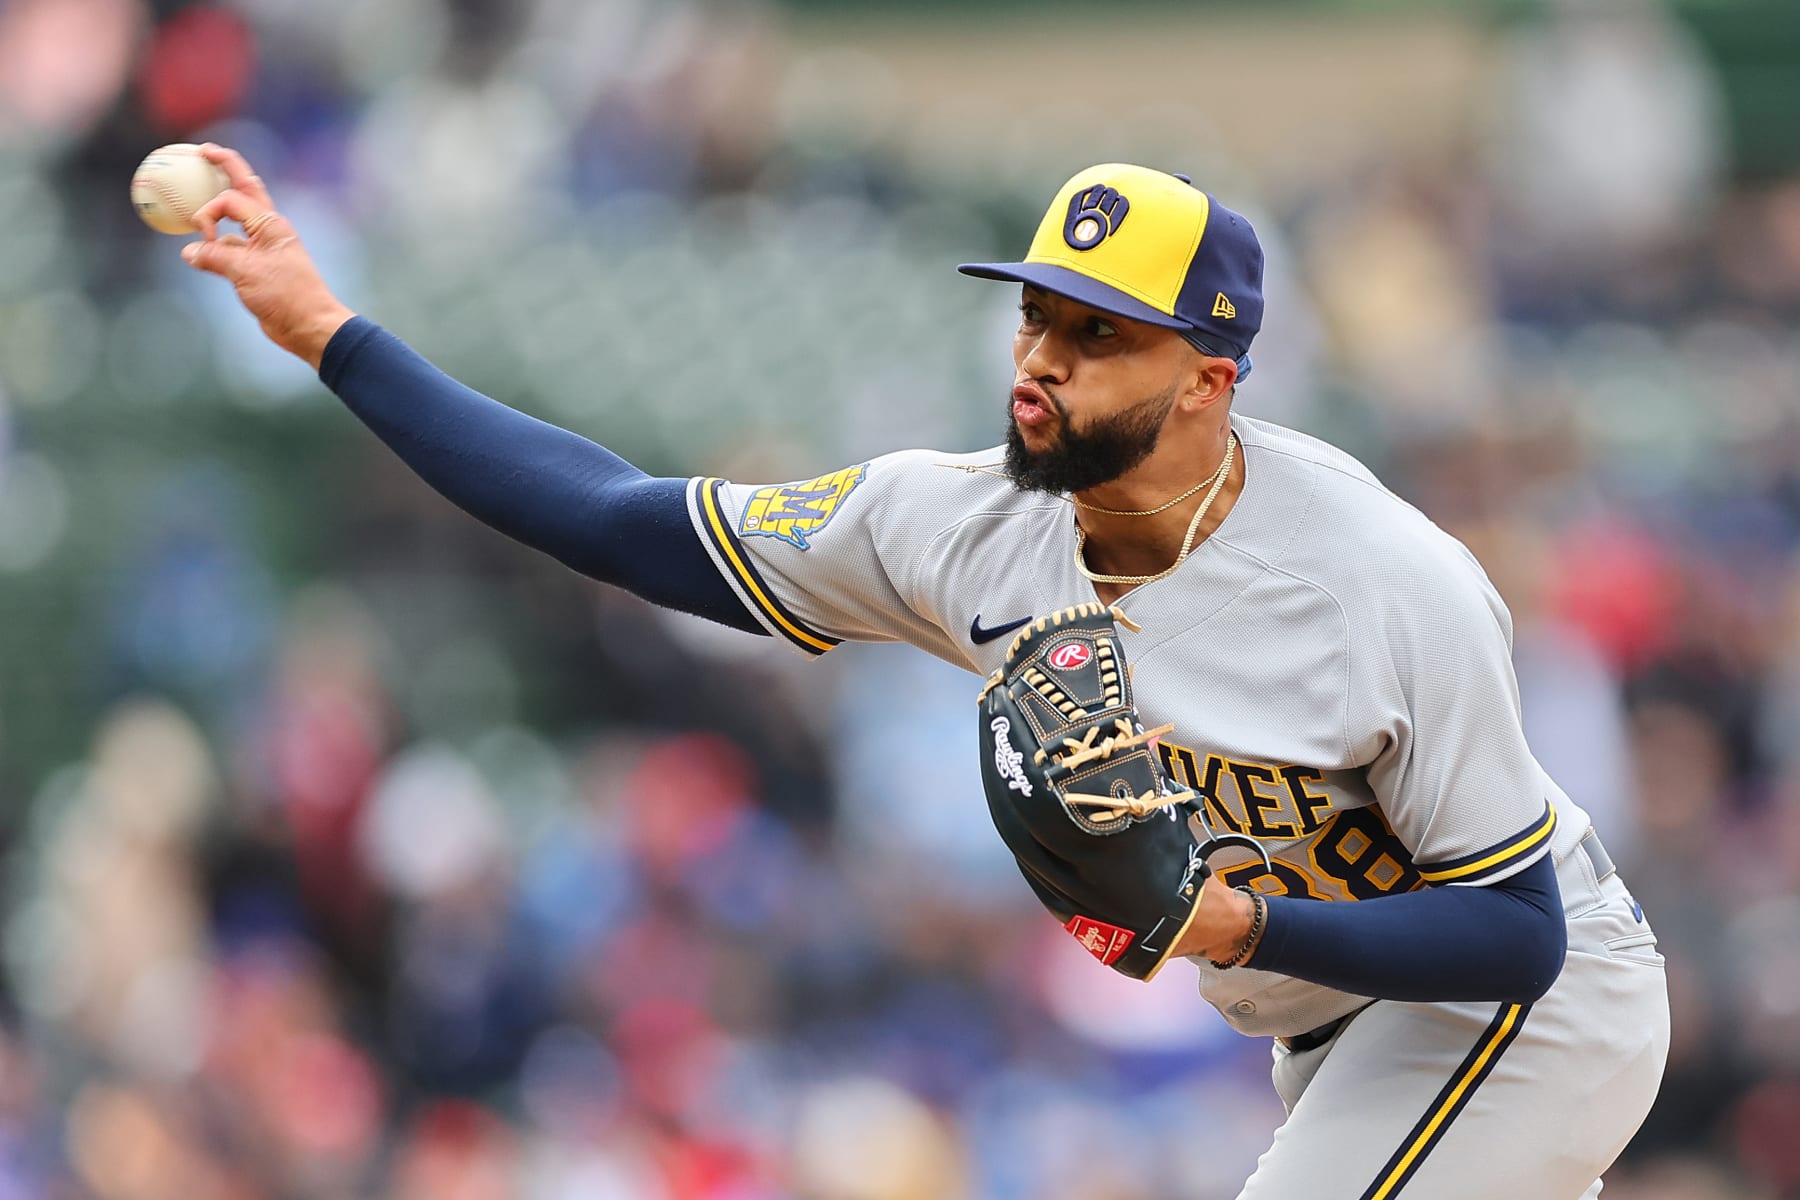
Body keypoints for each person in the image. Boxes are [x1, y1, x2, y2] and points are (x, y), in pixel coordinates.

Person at [181, 146, 1669, 1199]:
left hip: (1533, 1011)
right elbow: (619, 520)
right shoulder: (957, 525)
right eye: (1037, 312)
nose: (1042, 357)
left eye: (1099, 335)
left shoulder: (1385, 581)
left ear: (1211, 382)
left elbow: (1519, 936)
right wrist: (333, 335)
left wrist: (1232, 920)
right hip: (1340, 1036)